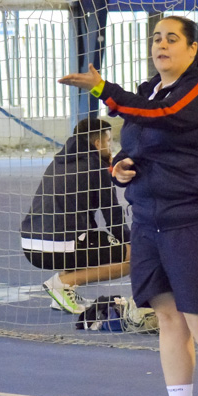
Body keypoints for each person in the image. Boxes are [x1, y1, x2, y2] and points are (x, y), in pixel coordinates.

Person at [57, 15, 198, 396]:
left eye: (171, 39)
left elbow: (159, 116)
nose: (161, 45)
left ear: (192, 49)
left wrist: (101, 88)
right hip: (150, 221)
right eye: (156, 39)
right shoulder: (148, 92)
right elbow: (136, 143)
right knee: (167, 318)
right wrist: (120, 168)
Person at [21, 117, 129, 314]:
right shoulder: (95, 166)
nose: (111, 147)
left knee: (82, 236)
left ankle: (62, 294)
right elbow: (112, 215)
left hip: (30, 245)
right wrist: (129, 242)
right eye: (109, 142)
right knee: (136, 257)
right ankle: (63, 283)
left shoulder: (59, 161)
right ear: (97, 143)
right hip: (58, 247)